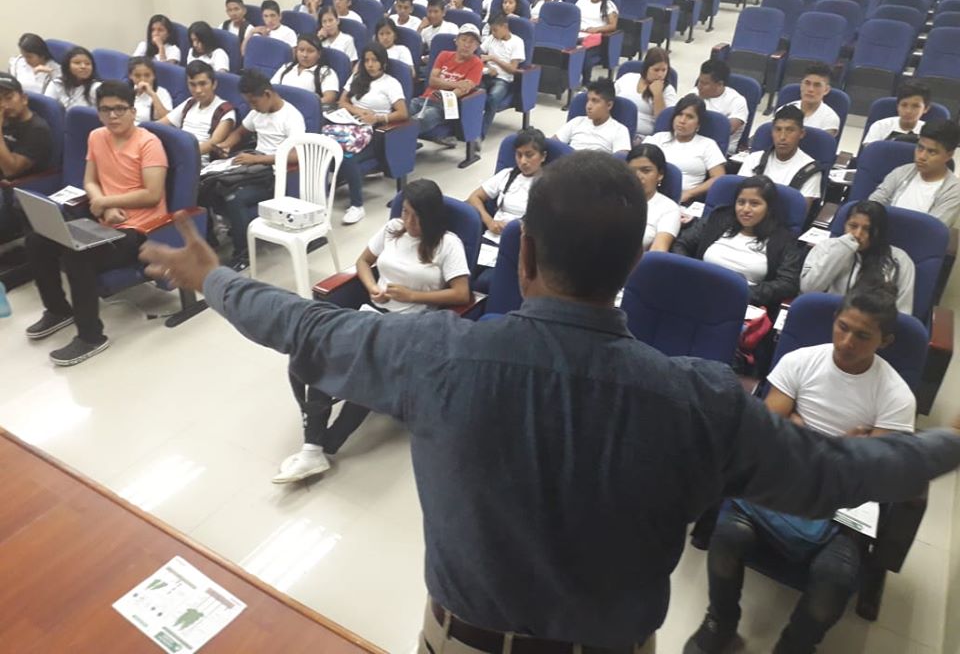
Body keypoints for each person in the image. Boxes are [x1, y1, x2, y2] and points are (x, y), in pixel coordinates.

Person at [141, 150, 960, 654]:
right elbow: (835, 474)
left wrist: (213, 277)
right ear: (634, 266)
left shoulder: (436, 355)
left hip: (462, 641)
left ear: (523, 254)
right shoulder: (702, 400)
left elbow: (305, 328)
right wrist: (947, 443)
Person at [685, 288, 915, 654]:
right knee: (727, 537)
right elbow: (768, 429)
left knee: (835, 579)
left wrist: (801, 429)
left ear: (884, 341)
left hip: (843, 503)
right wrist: (842, 445)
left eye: (862, 335)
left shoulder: (896, 396)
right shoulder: (801, 361)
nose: (847, 342)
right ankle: (721, 621)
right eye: (843, 327)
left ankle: (795, 646)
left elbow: (874, 469)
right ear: (834, 320)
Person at [277, 179, 471, 483]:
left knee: (370, 370)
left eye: (417, 217)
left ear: (432, 217)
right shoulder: (393, 229)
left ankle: (326, 444)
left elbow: (462, 294)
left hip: (410, 327)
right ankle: (313, 449)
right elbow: (363, 262)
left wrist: (412, 296)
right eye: (405, 212)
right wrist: (371, 287)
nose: (409, 222)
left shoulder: (448, 244)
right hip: (371, 314)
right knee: (318, 355)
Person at [25, 80, 167, 366]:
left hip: (138, 229)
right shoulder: (96, 136)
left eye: (120, 109)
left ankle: (91, 336)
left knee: (78, 255)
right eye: (105, 110)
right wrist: (103, 203)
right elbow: (89, 180)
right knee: (37, 240)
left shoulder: (149, 143)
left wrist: (107, 203)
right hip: (104, 220)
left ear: (133, 111)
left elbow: (152, 194)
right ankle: (58, 310)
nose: (113, 115)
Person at [209, 70, 305, 269]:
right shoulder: (258, 112)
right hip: (254, 167)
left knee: (233, 197)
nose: (252, 107)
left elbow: (296, 155)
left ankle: (243, 255)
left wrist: (257, 160)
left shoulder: (291, 117)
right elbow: (241, 131)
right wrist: (226, 145)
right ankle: (221, 235)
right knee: (211, 184)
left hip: (275, 175)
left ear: (267, 94)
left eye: (254, 102)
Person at [672, 175, 802, 308]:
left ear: (768, 208)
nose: (745, 209)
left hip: (740, 301)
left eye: (754, 204)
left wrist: (740, 293)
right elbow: (681, 244)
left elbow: (788, 283)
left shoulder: (782, 239)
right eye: (741, 202)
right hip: (697, 289)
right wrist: (690, 275)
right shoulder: (718, 219)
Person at [327, 43, 408, 225]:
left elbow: (403, 113)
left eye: (374, 60)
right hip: (348, 123)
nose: (370, 64)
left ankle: (357, 206)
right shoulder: (357, 77)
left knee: (347, 156)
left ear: (383, 62)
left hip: (374, 131)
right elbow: (342, 102)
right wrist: (358, 111)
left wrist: (377, 117)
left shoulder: (391, 83)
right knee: (321, 146)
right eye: (366, 60)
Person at [801, 200, 915, 315]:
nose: (857, 234)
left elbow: (903, 312)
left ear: (879, 232)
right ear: (845, 224)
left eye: (867, 229)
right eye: (853, 226)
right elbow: (809, 290)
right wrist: (842, 249)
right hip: (828, 315)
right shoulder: (826, 247)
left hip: (874, 324)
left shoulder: (900, 260)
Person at [466, 127, 547, 288]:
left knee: (484, 283)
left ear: (543, 156)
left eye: (529, 155)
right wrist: (489, 221)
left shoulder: (549, 185)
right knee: (463, 274)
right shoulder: (507, 175)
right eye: (519, 155)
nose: (523, 161)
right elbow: (474, 198)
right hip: (490, 239)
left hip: (519, 246)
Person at [868, 119, 960, 227]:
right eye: (920, 148)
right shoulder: (902, 172)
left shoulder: (953, 191)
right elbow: (872, 207)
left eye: (932, 152)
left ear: (949, 155)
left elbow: (932, 230)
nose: (922, 156)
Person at [409, 24, 483, 143]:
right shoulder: (444, 55)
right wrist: (456, 84)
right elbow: (432, 81)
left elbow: (464, 88)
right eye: (464, 40)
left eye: (471, 42)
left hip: (445, 106)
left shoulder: (477, 63)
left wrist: (446, 93)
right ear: (456, 41)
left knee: (420, 120)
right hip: (424, 99)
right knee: (403, 111)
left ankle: (401, 145)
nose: (467, 45)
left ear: (477, 46)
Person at [646, 94, 726, 202]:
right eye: (679, 114)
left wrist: (690, 193)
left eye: (690, 117)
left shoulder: (708, 144)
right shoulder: (658, 138)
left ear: (698, 123)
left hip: (685, 199)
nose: (682, 121)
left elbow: (719, 177)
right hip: (651, 194)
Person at [739, 105, 821, 202]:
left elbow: (801, 209)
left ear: (801, 133)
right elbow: (740, 199)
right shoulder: (754, 159)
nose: (782, 137)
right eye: (778, 130)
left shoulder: (810, 169)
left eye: (790, 130)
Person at [159, 61, 236, 163]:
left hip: (199, 163)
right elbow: (160, 124)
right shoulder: (189, 103)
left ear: (214, 84)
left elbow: (213, 143)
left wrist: (180, 154)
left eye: (203, 84)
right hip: (177, 156)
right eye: (192, 84)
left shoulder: (225, 111)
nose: (198, 90)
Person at [553, 78, 631, 154]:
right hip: (569, 160)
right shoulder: (577, 121)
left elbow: (620, 158)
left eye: (595, 101)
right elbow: (552, 144)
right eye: (588, 100)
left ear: (609, 105)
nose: (588, 106)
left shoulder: (620, 130)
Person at [627, 143, 681, 252]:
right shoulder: (612, 198)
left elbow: (658, 250)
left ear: (660, 174)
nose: (638, 176)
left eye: (646, 171)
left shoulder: (669, 209)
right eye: (632, 171)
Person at [614, 46, 677, 139]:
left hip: (642, 136)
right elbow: (608, 100)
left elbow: (665, 122)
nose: (660, 75)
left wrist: (657, 95)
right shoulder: (628, 78)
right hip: (616, 129)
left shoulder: (668, 90)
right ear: (646, 68)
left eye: (664, 70)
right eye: (656, 70)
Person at [0, 72, 53, 182]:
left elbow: (10, 170)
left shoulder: (37, 129)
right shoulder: (5, 119)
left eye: (8, 98)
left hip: (17, 186)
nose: (3, 105)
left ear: (24, 99)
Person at [479, 14, 525, 141]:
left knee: (493, 98)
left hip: (503, 79)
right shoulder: (491, 38)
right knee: (471, 93)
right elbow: (479, 55)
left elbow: (513, 69)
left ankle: (480, 133)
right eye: (491, 30)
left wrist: (494, 59)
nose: (493, 33)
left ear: (505, 27)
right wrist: (488, 66)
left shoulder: (517, 42)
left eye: (495, 30)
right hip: (487, 74)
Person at [692, 59, 748, 155]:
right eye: (699, 81)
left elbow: (725, 131)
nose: (699, 87)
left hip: (720, 151)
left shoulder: (737, 101)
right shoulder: (694, 93)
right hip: (691, 144)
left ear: (720, 84)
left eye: (705, 83)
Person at [270, 33, 339, 105]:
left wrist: (309, 103)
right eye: (301, 50)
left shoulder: (326, 72)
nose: (305, 55)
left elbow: (329, 98)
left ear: (319, 54)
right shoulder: (286, 67)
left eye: (310, 51)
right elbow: (271, 88)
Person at [862, 81, 932, 147]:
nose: (908, 111)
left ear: (925, 109)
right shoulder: (880, 126)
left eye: (915, 106)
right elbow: (869, 152)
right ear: (897, 106)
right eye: (904, 105)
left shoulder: (930, 132)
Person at [783, 63, 840, 137]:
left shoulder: (830, 119)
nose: (810, 89)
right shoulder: (785, 109)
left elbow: (824, 143)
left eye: (817, 85)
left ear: (826, 90)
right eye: (807, 83)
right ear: (801, 85)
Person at [127, 57, 173, 124]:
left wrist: (153, 95)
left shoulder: (162, 92)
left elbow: (167, 121)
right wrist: (134, 94)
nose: (143, 79)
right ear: (130, 76)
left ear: (154, 76)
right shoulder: (125, 90)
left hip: (147, 128)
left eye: (147, 75)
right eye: (137, 76)